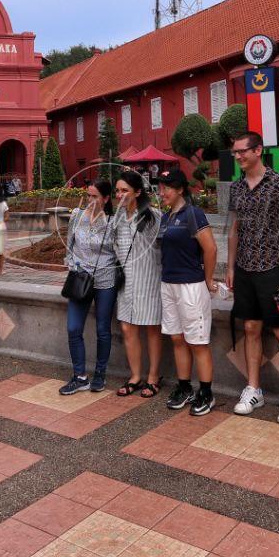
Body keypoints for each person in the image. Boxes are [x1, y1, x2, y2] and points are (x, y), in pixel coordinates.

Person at [225, 131, 279, 425]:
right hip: (245, 268)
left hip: (274, 267)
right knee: (250, 327)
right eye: (234, 153)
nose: (237, 157)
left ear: (258, 150)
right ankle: (253, 389)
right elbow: (234, 229)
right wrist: (231, 266)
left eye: (241, 152)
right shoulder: (235, 188)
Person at [154, 170, 218, 415]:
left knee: (198, 342)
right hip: (168, 284)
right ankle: (185, 387)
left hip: (191, 286)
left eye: (167, 188)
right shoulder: (165, 217)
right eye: (161, 188)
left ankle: (206, 392)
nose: (162, 193)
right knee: (177, 338)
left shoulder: (193, 214)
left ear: (180, 189)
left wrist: (207, 279)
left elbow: (210, 249)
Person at [60, 179, 119, 395]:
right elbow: (69, 245)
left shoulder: (113, 221)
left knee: (103, 329)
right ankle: (79, 376)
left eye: (95, 196)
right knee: (73, 328)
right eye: (88, 195)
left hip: (105, 279)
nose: (90, 200)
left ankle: (100, 374)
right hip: (80, 279)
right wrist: (72, 264)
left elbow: (120, 252)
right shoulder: (77, 215)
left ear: (105, 198)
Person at [113, 170, 163, 398]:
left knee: (152, 328)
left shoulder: (153, 216)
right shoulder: (117, 218)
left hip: (149, 279)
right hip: (126, 282)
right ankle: (135, 376)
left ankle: (153, 376)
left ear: (138, 192)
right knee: (127, 328)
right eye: (117, 191)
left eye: (125, 190)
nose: (119, 195)